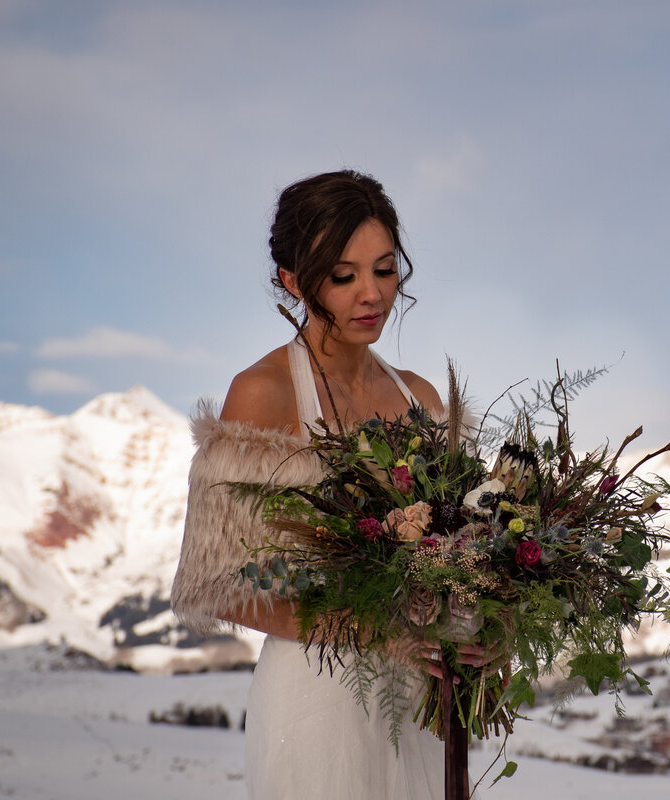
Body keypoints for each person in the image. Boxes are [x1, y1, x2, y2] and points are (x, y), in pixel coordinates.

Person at [171, 170, 480, 799]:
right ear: (292, 280)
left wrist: (480, 629)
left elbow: (470, 551)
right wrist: (374, 632)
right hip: (318, 704)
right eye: (344, 276)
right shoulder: (263, 392)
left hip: (421, 707)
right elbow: (219, 587)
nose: (372, 294)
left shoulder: (420, 397)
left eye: (385, 269)